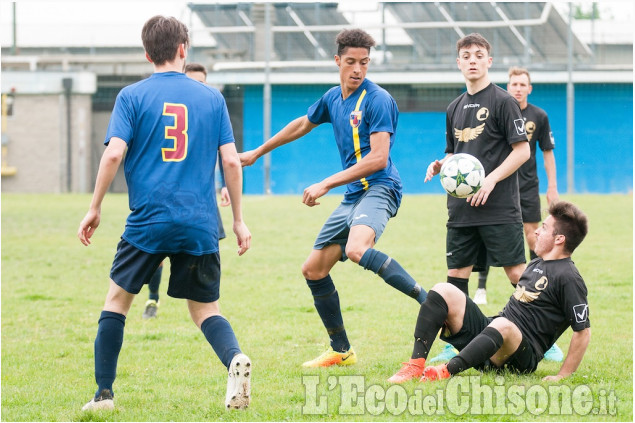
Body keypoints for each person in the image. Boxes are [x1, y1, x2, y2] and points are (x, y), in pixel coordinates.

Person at [78, 15, 252, 411]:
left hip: (148, 221)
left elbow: (115, 152)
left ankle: (104, 394)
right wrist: (238, 219)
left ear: (146, 53)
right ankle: (234, 359)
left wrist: (94, 207)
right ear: (183, 49)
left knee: (117, 300)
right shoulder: (212, 98)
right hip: (201, 222)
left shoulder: (132, 96)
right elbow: (231, 161)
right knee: (206, 309)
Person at [240, 28, 426, 368]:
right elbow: (301, 124)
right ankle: (341, 350)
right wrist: (257, 152)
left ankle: (429, 303)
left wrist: (326, 183)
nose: (358, 69)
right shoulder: (332, 99)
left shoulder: (378, 100)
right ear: (337, 60)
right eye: (351, 62)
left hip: (381, 186)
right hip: (354, 195)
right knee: (313, 269)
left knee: (357, 249)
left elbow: (378, 158)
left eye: (365, 63)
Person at [388, 201, 590, 384]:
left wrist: (562, 375)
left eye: (544, 228)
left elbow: (583, 332)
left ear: (559, 239)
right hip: (494, 335)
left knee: (503, 325)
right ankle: (414, 366)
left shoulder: (569, 277)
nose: (537, 231)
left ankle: (445, 371)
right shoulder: (537, 263)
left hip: (520, 356)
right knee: (444, 290)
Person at [424, 33, 530, 364]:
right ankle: (457, 342)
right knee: (456, 278)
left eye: (479, 54)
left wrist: (492, 179)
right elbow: (455, 153)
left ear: (489, 61)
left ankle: (538, 333)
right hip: (460, 210)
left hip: (498, 206)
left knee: (517, 275)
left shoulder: (503, 101)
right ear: (459, 63)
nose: (472, 59)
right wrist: (442, 164)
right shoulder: (453, 107)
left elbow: (522, 150)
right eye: (466, 55)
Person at [141, 63, 232, 320]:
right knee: (156, 256)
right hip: (165, 196)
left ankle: (207, 305)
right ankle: (153, 299)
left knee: (208, 251)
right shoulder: (169, 114)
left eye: (202, 83)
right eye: (194, 82)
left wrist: (224, 184)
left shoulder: (210, 110)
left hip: (201, 200)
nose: (198, 88)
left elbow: (224, 153)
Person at [474, 66, 559, 306]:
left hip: (527, 186)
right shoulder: (497, 111)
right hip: (498, 184)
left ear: (529, 88)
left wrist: (552, 186)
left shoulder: (539, 116)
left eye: (523, 85)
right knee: (489, 233)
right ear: (508, 86)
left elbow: (547, 154)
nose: (518, 89)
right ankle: (481, 287)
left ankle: (535, 282)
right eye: (514, 84)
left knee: (533, 235)